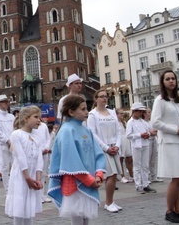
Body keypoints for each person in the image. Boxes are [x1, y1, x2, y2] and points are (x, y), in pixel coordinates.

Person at [49, 95, 105, 225]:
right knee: (78, 219)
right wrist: (90, 180)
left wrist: (99, 175)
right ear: (71, 111)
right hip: (75, 183)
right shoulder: (67, 130)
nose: (87, 112)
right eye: (83, 109)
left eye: (87, 109)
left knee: (85, 219)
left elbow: (97, 153)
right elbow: (71, 161)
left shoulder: (86, 130)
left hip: (89, 180)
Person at [151, 69, 179, 223]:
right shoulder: (160, 100)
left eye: (173, 78)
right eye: (167, 79)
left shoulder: (177, 101)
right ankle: (169, 210)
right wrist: (176, 130)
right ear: (163, 82)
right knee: (176, 178)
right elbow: (155, 122)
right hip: (169, 142)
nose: (171, 81)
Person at [5, 106, 43, 225]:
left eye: (39, 118)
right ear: (26, 118)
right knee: (20, 207)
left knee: (29, 207)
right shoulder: (17, 134)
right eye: (36, 117)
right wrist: (27, 178)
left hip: (32, 176)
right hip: (21, 176)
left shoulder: (36, 136)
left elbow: (39, 159)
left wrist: (38, 178)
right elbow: (21, 157)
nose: (39, 120)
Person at [87, 90, 123, 212]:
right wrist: (106, 148)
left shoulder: (112, 112)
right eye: (101, 97)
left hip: (114, 146)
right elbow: (92, 133)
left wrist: (117, 145)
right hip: (103, 148)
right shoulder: (92, 115)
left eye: (106, 96)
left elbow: (118, 131)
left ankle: (111, 200)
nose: (104, 98)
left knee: (115, 175)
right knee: (110, 174)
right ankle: (108, 202)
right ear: (95, 99)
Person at [126, 102, 156, 194]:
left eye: (142, 112)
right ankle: (138, 185)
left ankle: (146, 184)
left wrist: (149, 134)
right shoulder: (130, 122)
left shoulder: (143, 122)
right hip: (136, 145)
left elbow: (148, 131)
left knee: (145, 165)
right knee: (137, 166)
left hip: (145, 144)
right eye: (139, 112)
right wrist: (140, 135)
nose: (141, 113)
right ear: (134, 111)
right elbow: (128, 135)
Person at [0, 95, 15, 194]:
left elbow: (15, 129)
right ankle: (7, 189)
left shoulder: (11, 116)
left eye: (7, 101)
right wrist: (8, 141)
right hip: (4, 145)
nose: (6, 103)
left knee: (14, 166)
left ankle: (15, 187)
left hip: (13, 144)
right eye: (4, 101)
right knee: (5, 167)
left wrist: (13, 141)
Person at [31, 116, 52, 203]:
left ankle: (43, 194)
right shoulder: (32, 127)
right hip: (37, 153)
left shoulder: (43, 126)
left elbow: (48, 138)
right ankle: (37, 195)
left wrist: (46, 147)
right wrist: (39, 150)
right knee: (37, 173)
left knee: (43, 173)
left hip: (45, 152)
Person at [117, 109, 133, 184]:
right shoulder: (115, 123)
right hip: (120, 141)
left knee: (129, 158)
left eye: (123, 114)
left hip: (126, 140)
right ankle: (122, 176)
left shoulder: (124, 122)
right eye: (120, 114)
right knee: (121, 158)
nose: (122, 115)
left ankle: (131, 175)